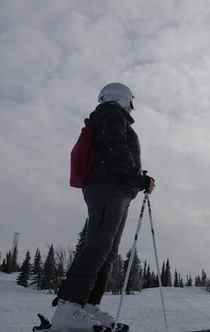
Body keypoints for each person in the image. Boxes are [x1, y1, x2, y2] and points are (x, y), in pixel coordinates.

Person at [51, 82, 156, 330]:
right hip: (107, 186)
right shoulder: (111, 115)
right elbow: (115, 149)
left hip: (117, 189)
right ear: (123, 99)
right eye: (131, 103)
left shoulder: (111, 116)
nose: (132, 108)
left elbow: (115, 150)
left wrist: (135, 181)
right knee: (99, 246)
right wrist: (138, 178)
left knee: (107, 251)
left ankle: (87, 305)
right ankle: (68, 307)